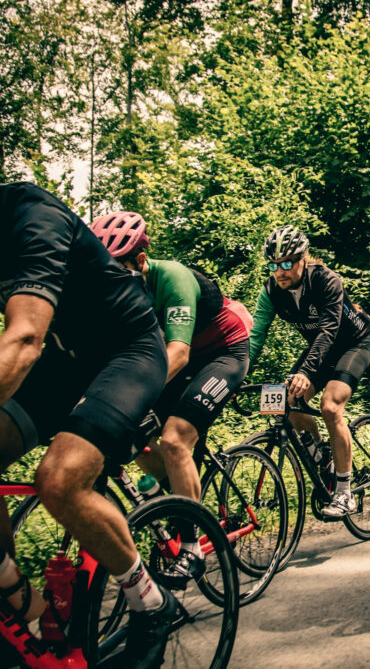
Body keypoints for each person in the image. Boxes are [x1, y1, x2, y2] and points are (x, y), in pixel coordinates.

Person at [0, 109, 174, 664]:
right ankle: (20, 614)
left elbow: (25, 336)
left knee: (59, 480)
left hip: (125, 351)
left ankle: (150, 601)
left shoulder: (32, 215)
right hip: (61, 364)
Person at [90, 210, 253, 576]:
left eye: (117, 269)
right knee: (136, 436)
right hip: (179, 358)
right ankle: (183, 503)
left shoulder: (172, 277)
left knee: (176, 438)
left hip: (223, 351)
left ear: (140, 261)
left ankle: (192, 546)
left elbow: (178, 354)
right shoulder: (114, 293)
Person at [249, 225, 370, 518]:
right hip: (320, 350)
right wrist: (238, 374)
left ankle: (344, 493)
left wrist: (305, 372)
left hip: (352, 345)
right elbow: (255, 336)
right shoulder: (271, 291)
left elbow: (328, 330)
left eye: (287, 264)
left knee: (330, 407)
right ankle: (322, 454)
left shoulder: (326, 280)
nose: (280, 272)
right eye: (274, 265)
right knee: (286, 401)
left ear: (303, 259)